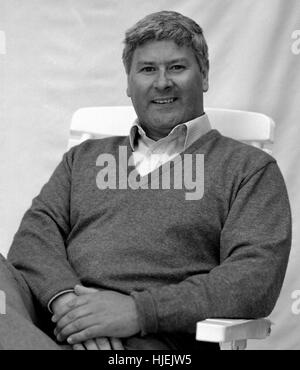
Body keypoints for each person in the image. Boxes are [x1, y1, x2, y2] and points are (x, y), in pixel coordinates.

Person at [0, 10, 292, 350]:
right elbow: (34, 238)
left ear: (205, 75)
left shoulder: (248, 169)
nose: (162, 81)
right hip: (53, 329)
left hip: (154, 342)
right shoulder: (83, 159)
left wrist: (139, 312)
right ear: (128, 82)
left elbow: (253, 278)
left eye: (177, 67)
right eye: (147, 69)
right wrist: (70, 305)